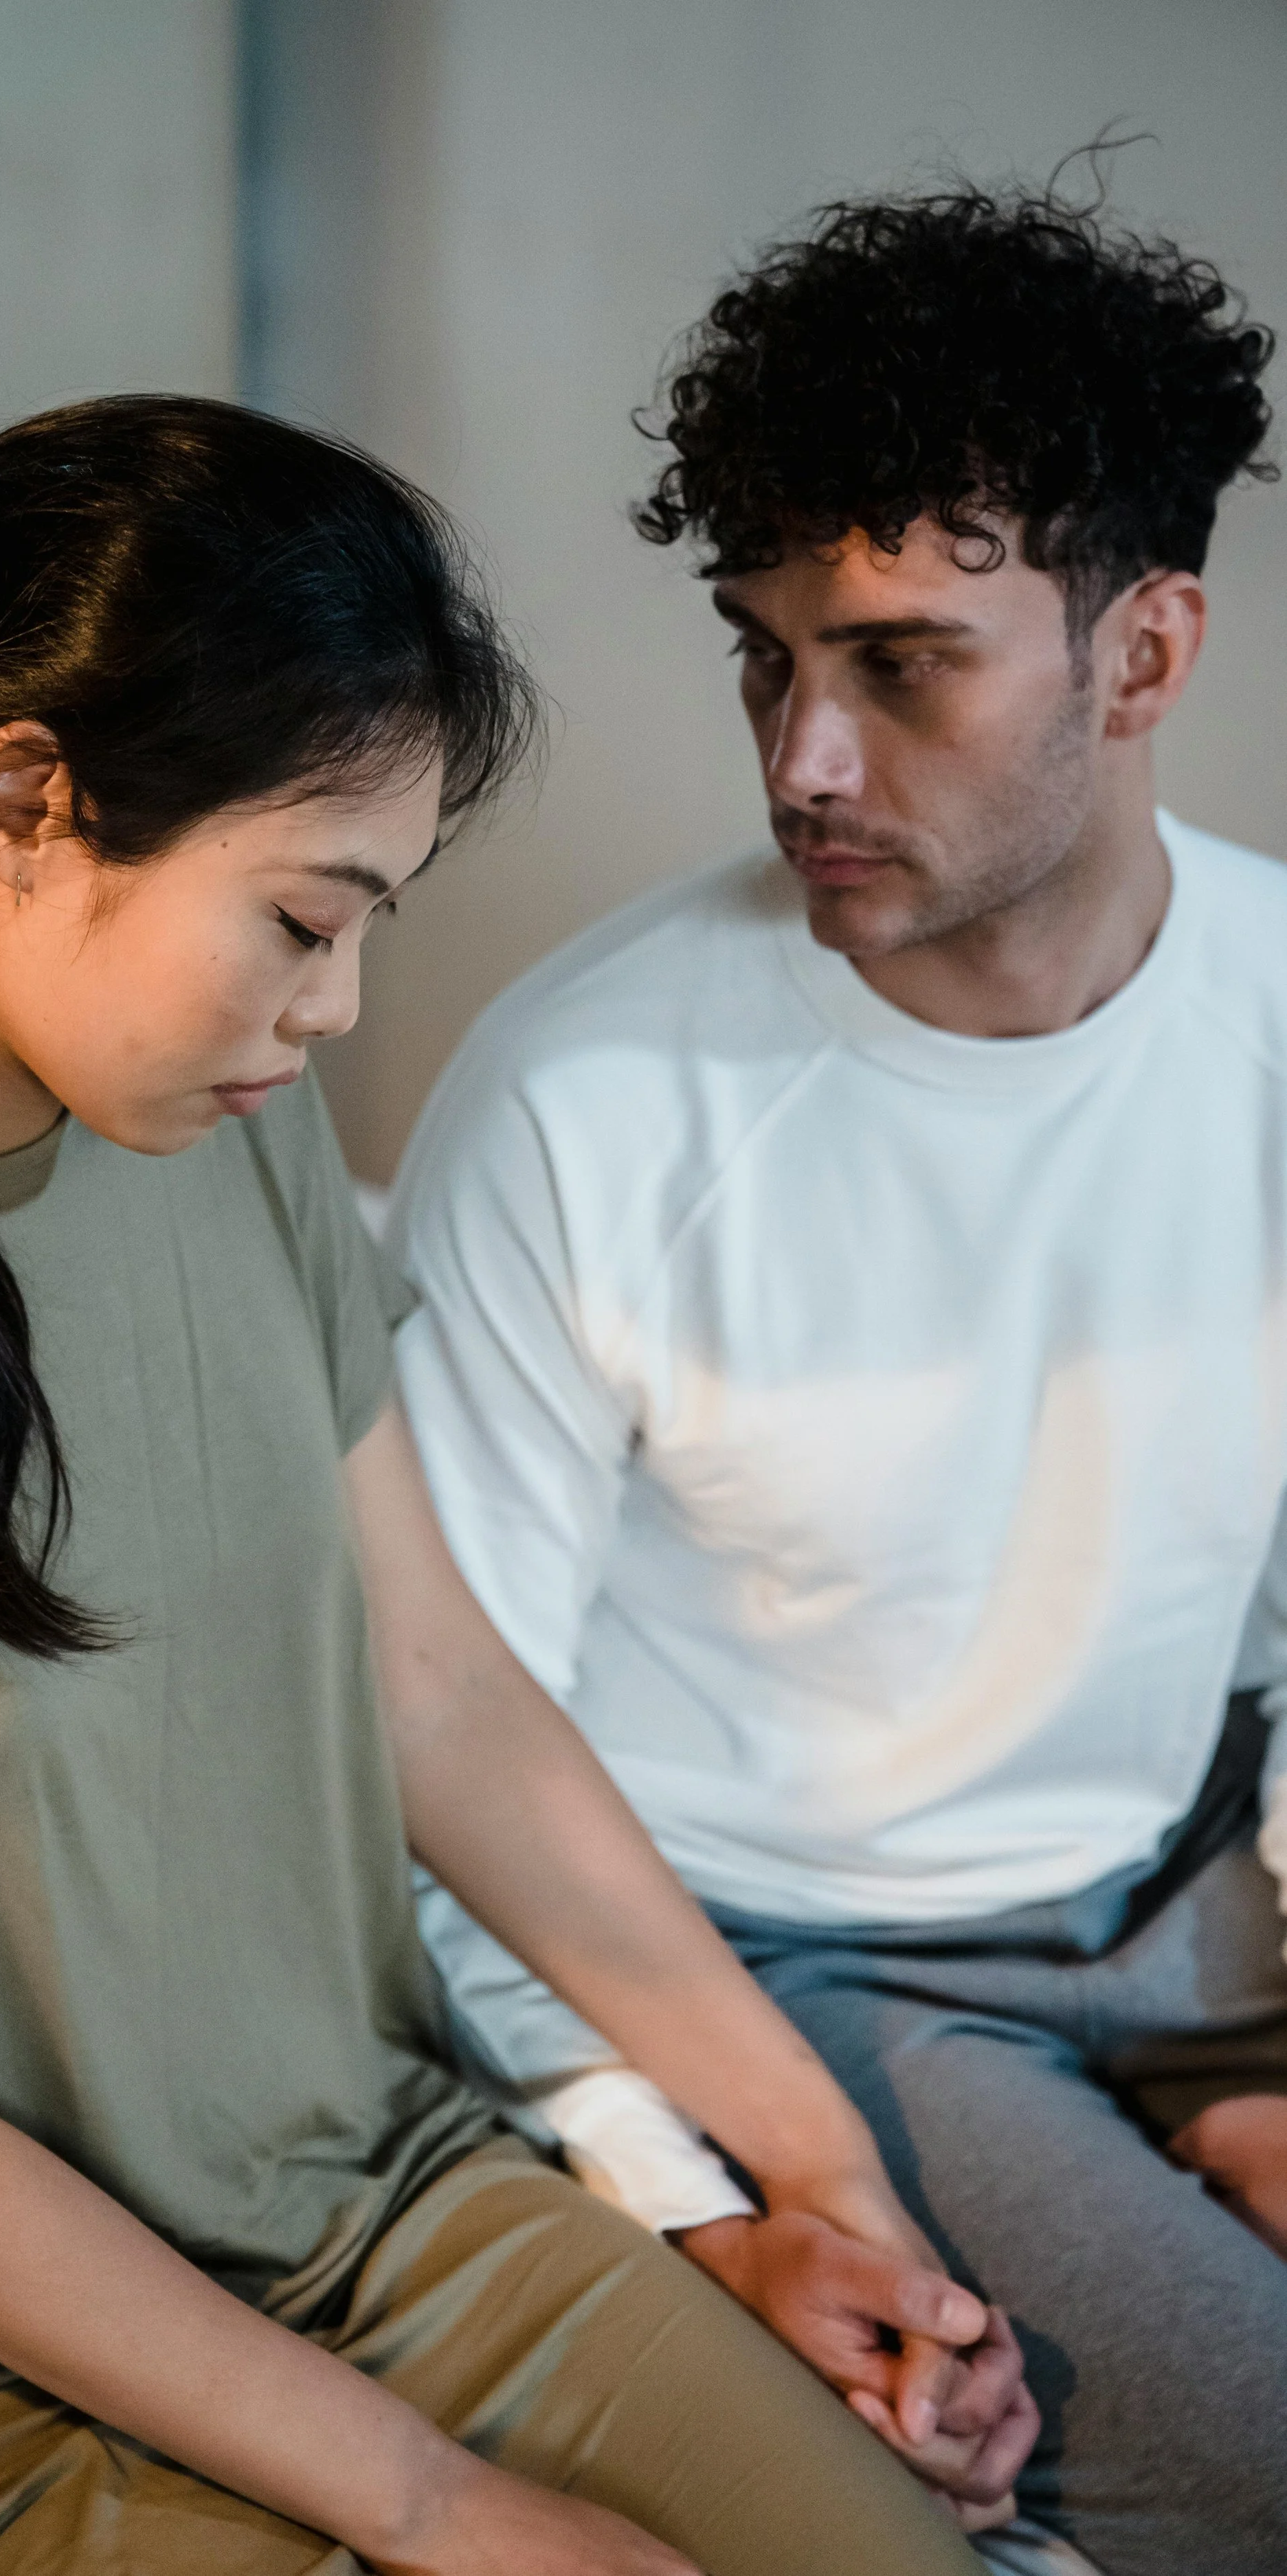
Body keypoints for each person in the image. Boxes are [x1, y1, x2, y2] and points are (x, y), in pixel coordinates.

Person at [0, 398, 999, 2576]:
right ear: (21, 803)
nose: (333, 1010)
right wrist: (443, 2507)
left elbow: (442, 1699)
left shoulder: (225, 1145)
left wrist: (814, 2183)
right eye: (300, 917)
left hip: (369, 2184)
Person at [387, 183, 1287, 2576]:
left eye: (900, 664)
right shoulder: (581, 1094)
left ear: (1144, 649)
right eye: (763, 655)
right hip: (812, 1973)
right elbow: (435, 1740)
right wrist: (683, 2200)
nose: (800, 753)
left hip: (1207, 1893)